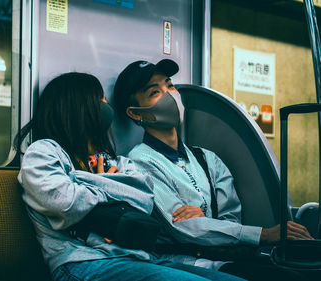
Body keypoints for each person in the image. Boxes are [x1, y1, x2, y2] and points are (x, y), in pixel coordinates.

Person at [14, 72, 244, 281]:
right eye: (101, 100)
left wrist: (87, 185)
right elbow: (65, 203)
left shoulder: (115, 161)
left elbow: (144, 199)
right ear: (78, 106)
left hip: (140, 258)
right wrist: (110, 184)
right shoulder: (44, 152)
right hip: (84, 262)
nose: (106, 107)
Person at [113, 59, 314, 280]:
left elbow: (231, 220)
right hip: (186, 263)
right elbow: (183, 228)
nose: (170, 94)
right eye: (154, 92)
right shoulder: (139, 163)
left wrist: (203, 217)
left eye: (169, 85)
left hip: (226, 257)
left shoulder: (207, 158)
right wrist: (262, 234)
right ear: (135, 113)